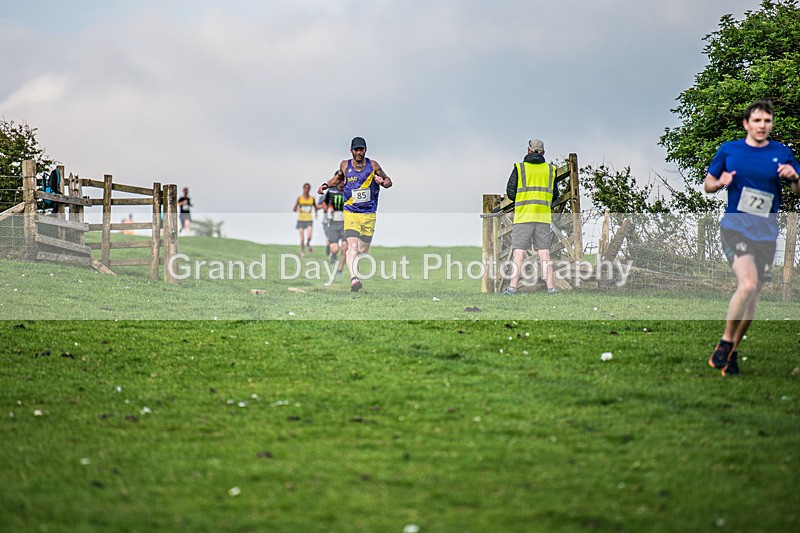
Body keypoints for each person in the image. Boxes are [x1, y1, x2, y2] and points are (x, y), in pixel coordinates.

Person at [704, 100, 800, 377]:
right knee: (747, 284)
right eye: (757, 121)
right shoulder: (729, 150)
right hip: (735, 227)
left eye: (767, 121)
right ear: (746, 124)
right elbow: (708, 185)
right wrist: (720, 182)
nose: (762, 126)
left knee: (753, 293)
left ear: (771, 124)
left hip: (766, 233)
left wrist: (794, 178)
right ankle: (725, 341)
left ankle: (731, 352)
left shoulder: (781, 153)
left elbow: (798, 189)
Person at [317, 136, 393, 292]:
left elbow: (388, 181)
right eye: (356, 149)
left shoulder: (373, 165)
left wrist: (382, 182)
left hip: (369, 214)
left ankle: (354, 270)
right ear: (351, 150)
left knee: (362, 250)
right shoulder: (345, 165)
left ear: (365, 150)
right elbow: (337, 177)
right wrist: (325, 185)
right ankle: (354, 279)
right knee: (352, 246)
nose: (359, 152)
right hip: (351, 212)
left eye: (361, 149)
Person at [503, 139, 557, 295]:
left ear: (528, 151)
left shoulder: (520, 168)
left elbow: (511, 191)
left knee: (519, 252)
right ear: (543, 152)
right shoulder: (550, 169)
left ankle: (512, 288)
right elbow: (555, 195)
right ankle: (551, 288)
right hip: (543, 216)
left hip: (523, 216)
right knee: (544, 253)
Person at [321, 178, 347, 277]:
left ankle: (339, 270)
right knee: (335, 249)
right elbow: (324, 203)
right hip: (333, 223)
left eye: (343, 181)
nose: (341, 182)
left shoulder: (348, 191)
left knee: (345, 248)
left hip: (345, 224)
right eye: (340, 180)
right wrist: (327, 210)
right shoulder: (331, 191)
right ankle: (333, 254)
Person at [293, 183, 317, 257]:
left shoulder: (312, 199)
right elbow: (294, 208)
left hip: (309, 220)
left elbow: (315, 207)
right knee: (302, 238)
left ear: (309, 189)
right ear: (303, 189)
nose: (306, 190)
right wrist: (296, 208)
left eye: (308, 188)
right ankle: (302, 252)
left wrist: (316, 214)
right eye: (305, 188)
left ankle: (308, 243)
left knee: (309, 236)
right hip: (300, 220)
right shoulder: (299, 198)